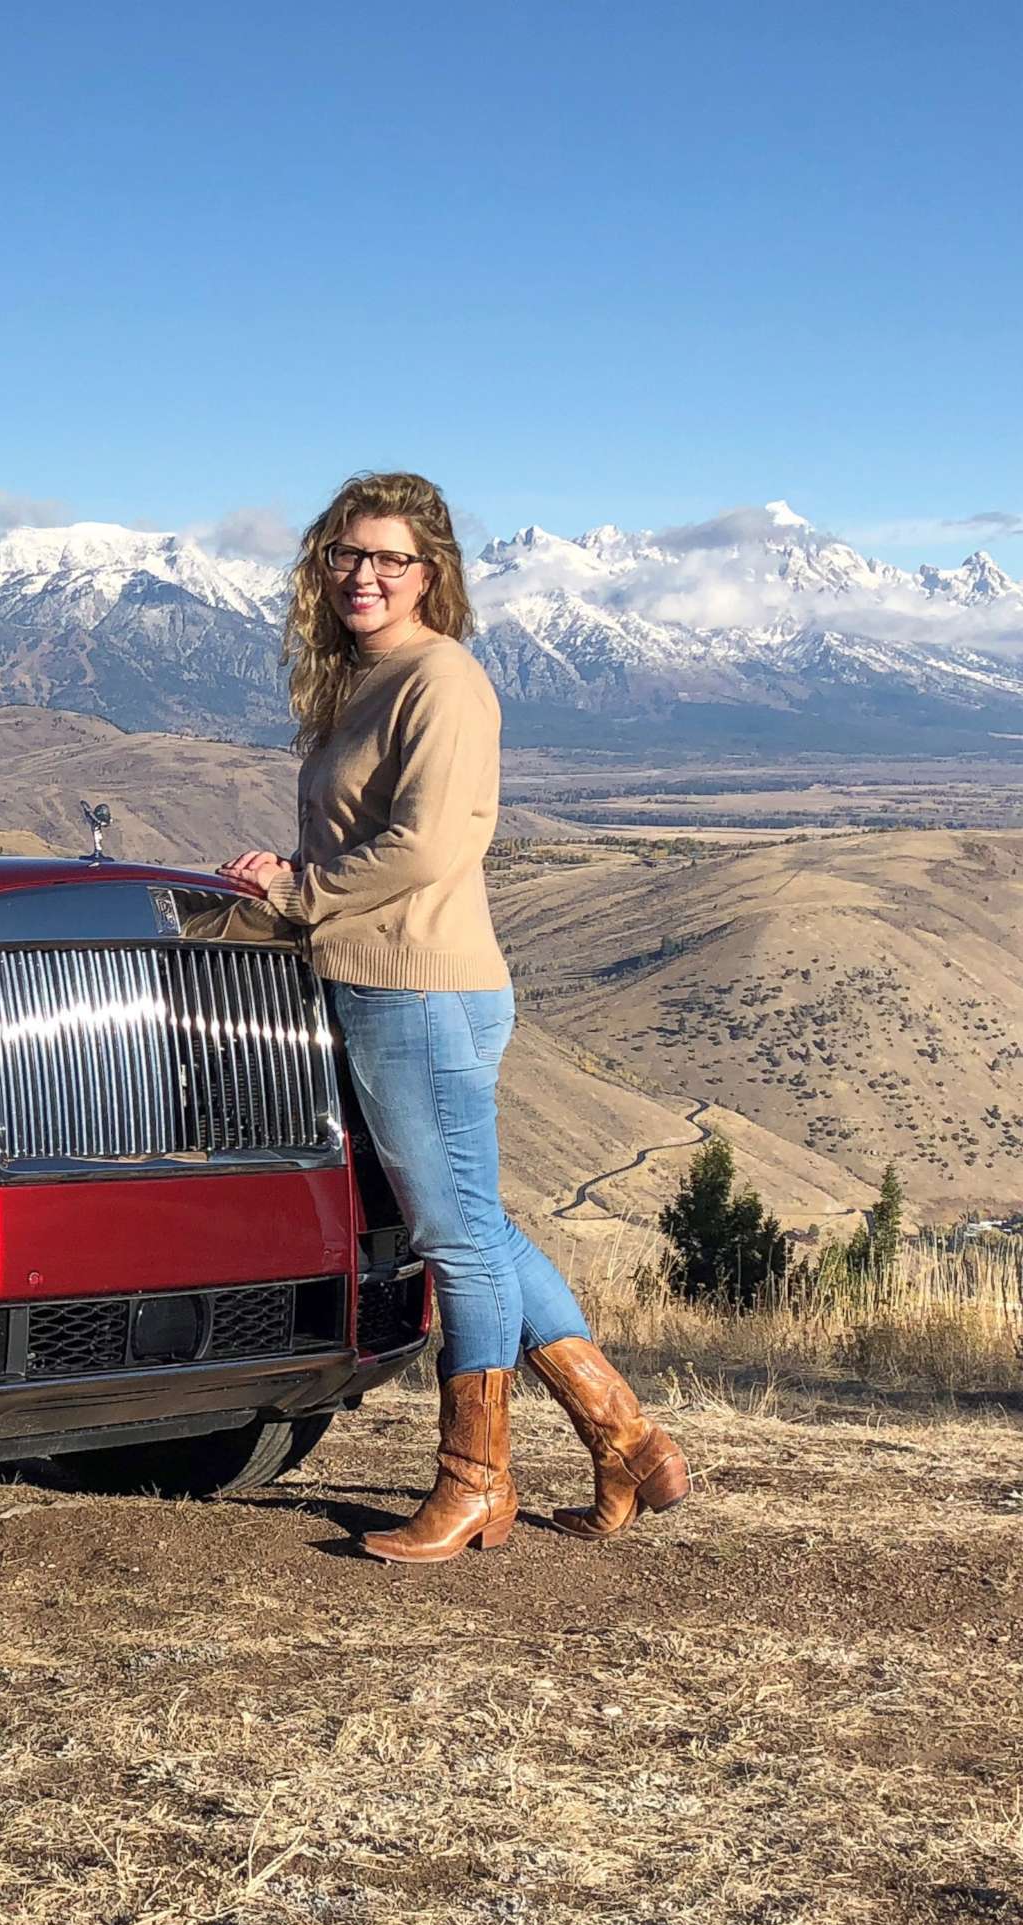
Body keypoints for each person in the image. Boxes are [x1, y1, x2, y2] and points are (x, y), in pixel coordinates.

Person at [219, 471, 688, 1563]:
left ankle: (475, 1480)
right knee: (478, 1226)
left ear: (432, 574)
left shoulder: (442, 680)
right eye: (347, 554)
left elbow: (429, 846)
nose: (364, 574)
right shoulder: (367, 681)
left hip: (415, 987)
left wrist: (295, 897)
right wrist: (292, 874)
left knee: (456, 1242)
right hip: (393, 978)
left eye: (389, 558)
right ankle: (624, 1441)